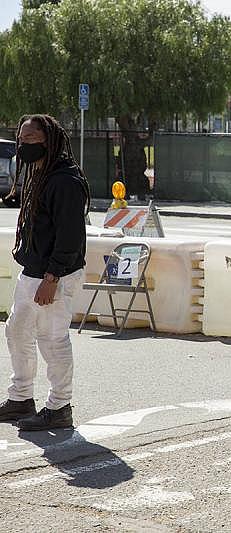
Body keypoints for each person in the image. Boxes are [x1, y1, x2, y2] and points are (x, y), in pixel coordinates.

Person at [0, 115, 90, 431]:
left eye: (30, 140)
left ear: (48, 141)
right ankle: (21, 397)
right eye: (20, 139)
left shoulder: (65, 180)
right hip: (34, 270)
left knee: (52, 338)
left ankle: (59, 407)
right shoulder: (43, 173)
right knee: (17, 330)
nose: (22, 145)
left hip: (56, 274)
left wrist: (52, 278)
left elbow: (70, 235)